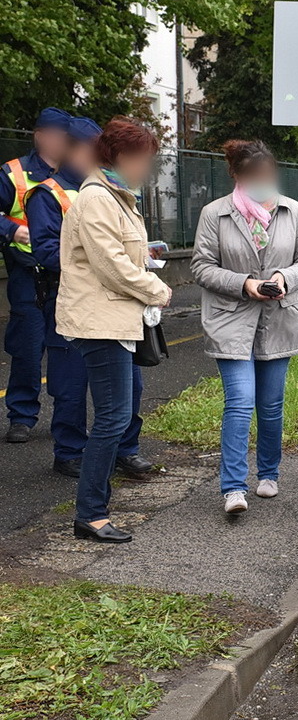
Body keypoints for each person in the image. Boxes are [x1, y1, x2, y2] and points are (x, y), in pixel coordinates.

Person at [57, 118, 172, 543]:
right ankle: (90, 514)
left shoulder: (116, 195)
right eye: (144, 158)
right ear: (121, 157)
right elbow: (111, 266)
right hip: (100, 321)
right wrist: (156, 288)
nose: (147, 167)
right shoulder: (98, 198)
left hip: (113, 319)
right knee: (111, 418)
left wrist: (148, 260)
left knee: (115, 415)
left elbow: (121, 256)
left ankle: (94, 509)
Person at [192, 140, 298, 515]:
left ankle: (268, 474)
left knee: (271, 405)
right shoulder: (215, 214)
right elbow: (201, 267)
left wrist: (284, 277)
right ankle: (233, 487)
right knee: (240, 402)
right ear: (236, 175)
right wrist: (244, 283)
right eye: (253, 176)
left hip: (279, 319)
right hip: (230, 319)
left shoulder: (292, 211)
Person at [27, 117, 155, 479]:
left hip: (116, 303)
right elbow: (49, 252)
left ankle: (124, 450)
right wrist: (99, 266)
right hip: (72, 299)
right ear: (73, 150)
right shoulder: (48, 193)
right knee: (70, 384)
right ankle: (69, 451)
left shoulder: (115, 192)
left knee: (129, 385)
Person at [0, 107, 71, 443]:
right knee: (27, 349)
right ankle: (22, 416)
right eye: (58, 136)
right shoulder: (13, 173)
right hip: (27, 276)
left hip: (63, 278)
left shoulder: (75, 176)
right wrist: (12, 231)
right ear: (40, 136)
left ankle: (65, 416)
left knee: (64, 351)